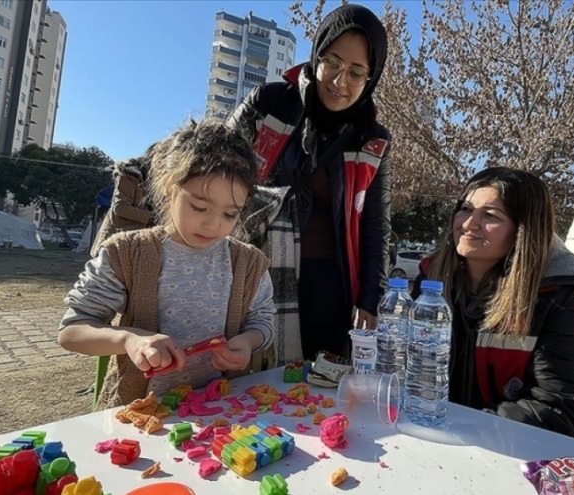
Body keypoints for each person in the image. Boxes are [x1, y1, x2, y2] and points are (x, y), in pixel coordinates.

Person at [58, 120, 276, 409]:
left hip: (221, 411)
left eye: (230, 214)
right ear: (169, 190)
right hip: (140, 413)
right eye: (199, 207)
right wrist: (129, 339)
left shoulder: (249, 264)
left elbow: (263, 321)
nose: (213, 224)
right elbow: (72, 331)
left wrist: (248, 341)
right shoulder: (127, 254)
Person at [229, 4, 392, 363]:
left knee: (318, 384)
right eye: (332, 62)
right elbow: (213, 165)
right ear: (317, 55)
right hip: (259, 270)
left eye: (356, 72)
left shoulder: (373, 139)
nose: (340, 81)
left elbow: (375, 225)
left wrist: (370, 299)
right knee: (252, 375)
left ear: (370, 78)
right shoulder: (271, 103)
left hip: (332, 285)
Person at [413, 167, 574, 448]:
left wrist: (468, 428)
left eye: (490, 215)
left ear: (522, 230)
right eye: (466, 209)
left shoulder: (555, 292)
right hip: (435, 433)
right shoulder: (430, 278)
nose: (469, 224)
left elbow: (556, 408)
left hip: (516, 448)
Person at [90, 153, 155, 257]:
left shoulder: (156, 181)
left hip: (137, 244)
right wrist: (152, 217)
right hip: (116, 242)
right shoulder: (129, 175)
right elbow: (120, 208)